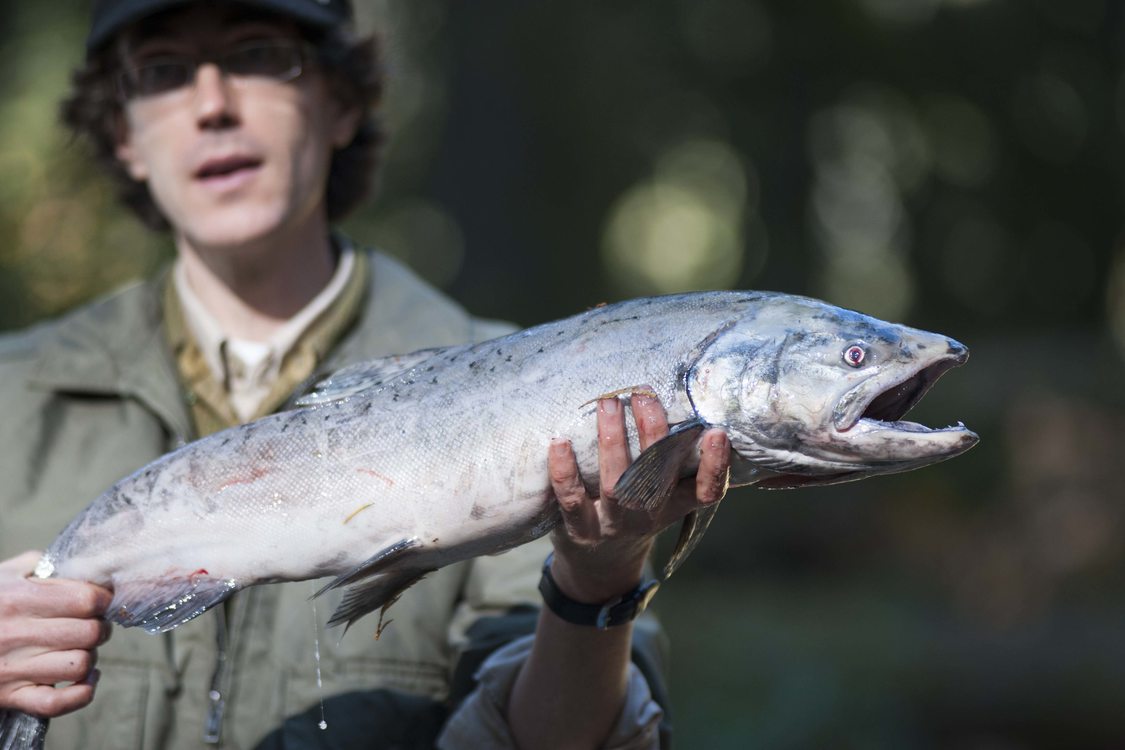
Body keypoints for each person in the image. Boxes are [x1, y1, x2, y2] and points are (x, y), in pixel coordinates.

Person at [0, 1, 731, 748]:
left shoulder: (542, 400)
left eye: (257, 54)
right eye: (163, 71)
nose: (212, 105)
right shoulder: (8, 398)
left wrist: (594, 586)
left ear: (341, 103)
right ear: (123, 133)